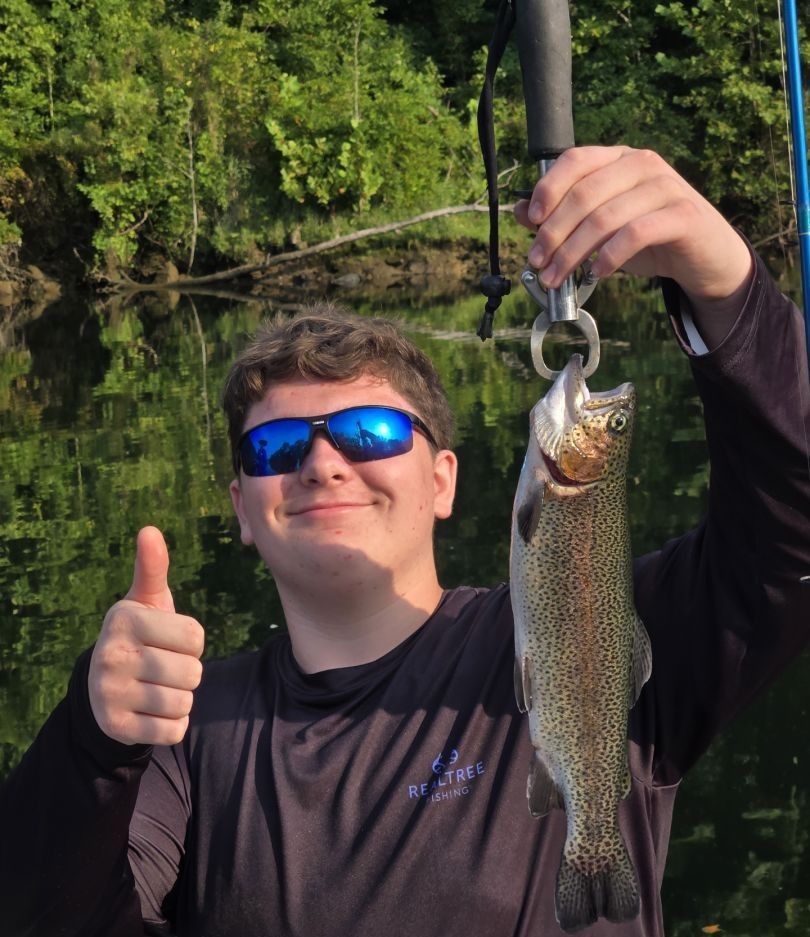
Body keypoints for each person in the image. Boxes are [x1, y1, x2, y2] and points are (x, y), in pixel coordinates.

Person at [1, 146, 808, 937]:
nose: (322, 462)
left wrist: (726, 289)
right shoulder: (183, 739)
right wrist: (91, 741)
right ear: (242, 508)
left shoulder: (593, 633)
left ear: (443, 480)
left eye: (368, 430)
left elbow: (790, 540)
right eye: (277, 448)